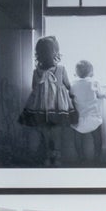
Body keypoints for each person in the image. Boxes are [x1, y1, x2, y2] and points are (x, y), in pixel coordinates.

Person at [15, 32, 75, 165]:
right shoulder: (61, 69)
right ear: (55, 52)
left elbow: (34, 87)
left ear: (39, 54)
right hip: (58, 107)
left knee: (45, 132)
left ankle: (48, 156)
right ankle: (57, 157)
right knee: (57, 132)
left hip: (41, 107)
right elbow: (68, 85)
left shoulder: (36, 71)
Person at [71, 58, 105, 165]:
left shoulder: (73, 84)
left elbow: (70, 96)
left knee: (78, 137)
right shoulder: (94, 82)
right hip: (93, 117)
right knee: (97, 137)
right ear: (91, 72)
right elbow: (99, 95)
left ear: (76, 72)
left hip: (79, 118)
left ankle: (81, 157)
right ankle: (97, 157)